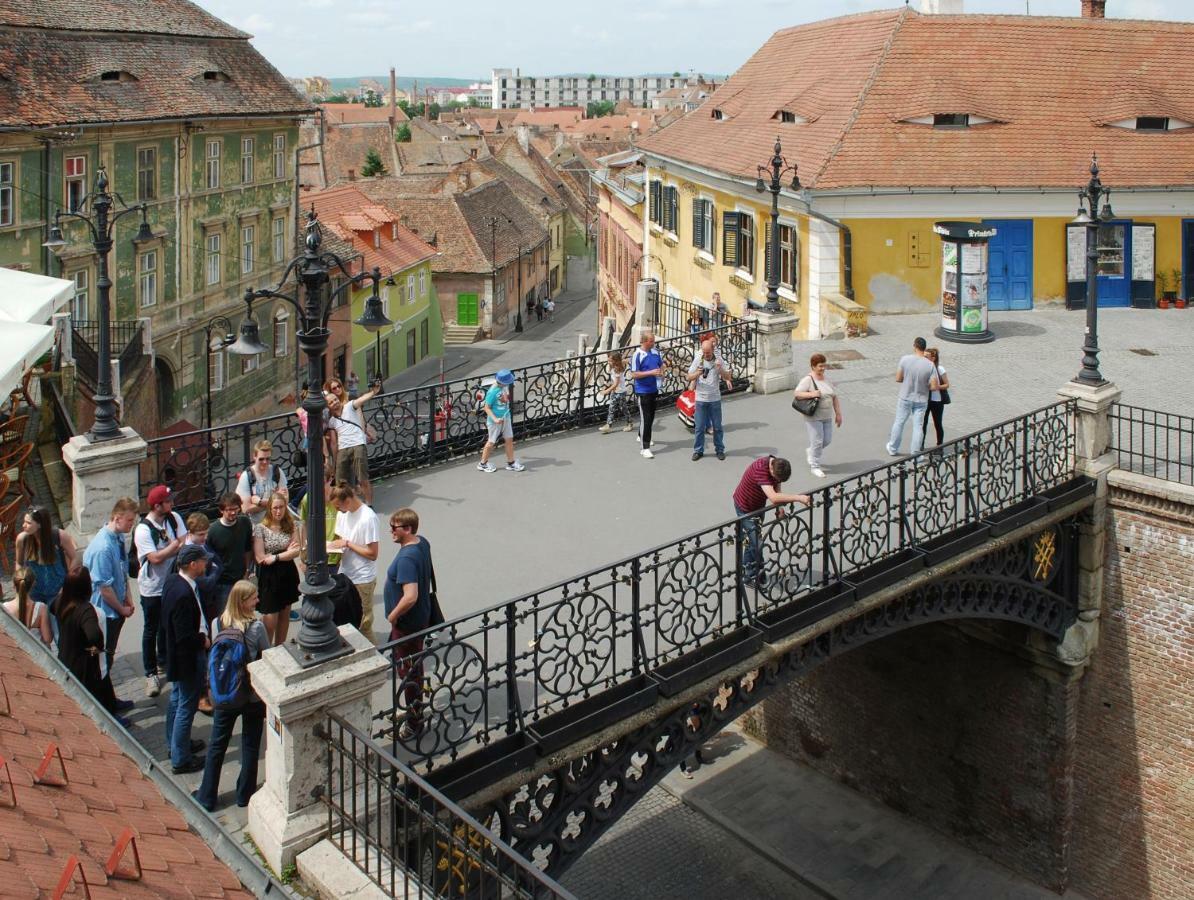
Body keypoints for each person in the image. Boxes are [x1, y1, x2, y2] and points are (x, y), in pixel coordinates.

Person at [193, 580, 268, 812]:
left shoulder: (218, 623)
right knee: (250, 745)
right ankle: (244, 795)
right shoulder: (256, 627)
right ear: (243, 601)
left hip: (224, 693)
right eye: (254, 597)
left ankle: (207, 796)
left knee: (217, 746)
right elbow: (266, 655)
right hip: (251, 696)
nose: (257, 600)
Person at [82, 497, 137, 713]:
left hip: (116, 609)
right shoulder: (103, 548)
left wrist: (129, 597)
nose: (131, 525)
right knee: (104, 661)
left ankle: (111, 699)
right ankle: (104, 707)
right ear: (117, 518)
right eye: (129, 520)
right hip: (105, 613)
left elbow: (121, 571)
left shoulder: (118, 538)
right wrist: (122, 608)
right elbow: (104, 588)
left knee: (109, 657)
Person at [161, 545, 212, 774]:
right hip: (187, 659)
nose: (205, 564)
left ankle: (175, 745)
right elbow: (184, 636)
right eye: (202, 561)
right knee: (186, 706)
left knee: (176, 700)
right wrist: (203, 641)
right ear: (193, 564)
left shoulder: (174, 581)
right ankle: (181, 759)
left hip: (177, 657)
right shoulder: (182, 594)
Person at [133, 485, 187, 698]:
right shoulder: (143, 530)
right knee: (151, 628)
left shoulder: (173, 518)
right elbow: (154, 558)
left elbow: (184, 540)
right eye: (168, 501)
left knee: (168, 625)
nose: (172, 504)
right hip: (152, 588)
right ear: (157, 506)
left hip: (172, 582)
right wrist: (173, 548)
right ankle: (150, 672)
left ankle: (164, 659)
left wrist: (172, 547)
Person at [56, 567, 128, 726]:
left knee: (104, 681)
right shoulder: (85, 609)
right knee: (95, 690)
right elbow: (94, 634)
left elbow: (52, 609)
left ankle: (113, 705)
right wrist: (98, 647)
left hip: (66, 654)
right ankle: (110, 720)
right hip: (83, 663)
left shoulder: (61, 601)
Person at [384, 507, 432, 741]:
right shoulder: (421, 543)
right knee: (414, 667)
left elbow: (410, 595)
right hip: (421, 617)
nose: (391, 531)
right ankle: (414, 708)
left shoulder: (406, 559)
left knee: (408, 671)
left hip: (407, 624)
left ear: (408, 529)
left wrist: (392, 616)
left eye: (394, 528)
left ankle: (414, 721)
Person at [732, 456, 811, 587]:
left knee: (752, 542)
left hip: (757, 507)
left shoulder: (775, 464)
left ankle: (749, 573)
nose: (777, 481)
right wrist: (799, 498)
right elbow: (774, 496)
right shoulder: (760, 470)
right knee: (757, 544)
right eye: (776, 478)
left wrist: (779, 508)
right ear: (772, 470)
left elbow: (777, 487)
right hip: (744, 509)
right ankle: (756, 573)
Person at [15, 505, 77, 640]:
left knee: (59, 633)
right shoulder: (22, 539)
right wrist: (21, 583)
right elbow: (19, 562)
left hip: (57, 592)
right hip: (34, 593)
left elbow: (75, 558)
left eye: (28, 523)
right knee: (37, 635)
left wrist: (67, 583)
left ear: (40, 525)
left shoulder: (58, 536)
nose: (23, 525)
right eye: (24, 521)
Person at [328, 482, 380, 642]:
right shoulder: (343, 514)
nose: (337, 510)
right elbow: (339, 539)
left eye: (338, 506)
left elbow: (372, 553)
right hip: (345, 575)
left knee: (364, 623)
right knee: (346, 622)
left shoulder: (368, 518)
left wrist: (348, 544)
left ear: (348, 501)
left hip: (362, 578)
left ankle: (376, 657)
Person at [253, 492, 301, 647]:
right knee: (270, 619)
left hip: (287, 573)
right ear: (269, 509)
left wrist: (275, 557)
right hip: (269, 577)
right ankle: (266, 651)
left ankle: (281, 647)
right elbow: (260, 557)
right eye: (275, 508)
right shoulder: (260, 528)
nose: (278, 511)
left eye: (281, 507)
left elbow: (297, 550)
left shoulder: (291, 525)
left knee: (284, 615)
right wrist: (286, 552)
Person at [325, 376, 382, 503]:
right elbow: (333, 441)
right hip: (343, 449)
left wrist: (373, 392)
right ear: (328, 406)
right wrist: (333, 460)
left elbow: (361, 400)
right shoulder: (331, 421)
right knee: (340, 482)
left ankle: (369, 505)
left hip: (357, 445)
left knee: (362, 478)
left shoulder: (350, 406)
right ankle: (347, 505)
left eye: (335, 400)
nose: (334, 402)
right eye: (331, 402)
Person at [794, 353, 844, 479]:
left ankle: (811, 451)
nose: (822, 368)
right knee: (817, 441)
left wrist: (838, 414)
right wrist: (812, 394)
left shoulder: (825, 379)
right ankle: (815, 466)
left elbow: (834, 397)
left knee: (827, 440)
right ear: (813, 366)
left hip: (827, 416)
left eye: (824, 366)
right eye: (820, 366)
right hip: (814, 417)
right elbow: (797, 393)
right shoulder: (808, 379)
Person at [886, 336, 937, 457]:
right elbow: (934, 386)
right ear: (924, 349)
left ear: (914, 346)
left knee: (899, 422)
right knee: (918, 426)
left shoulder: (905, 359)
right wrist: (925, 385)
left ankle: (893, 448)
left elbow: (898, 378)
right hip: (921, 399)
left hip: (905, 396)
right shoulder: (930, 365)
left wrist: (908, 379)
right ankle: (916, 454)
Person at [206, 493, 254, 616]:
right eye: (229, 510)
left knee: (245, 614)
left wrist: (247, 571)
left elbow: (248, 549)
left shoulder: (244, 522)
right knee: (225, 616)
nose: (233, 513)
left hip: (242, 578)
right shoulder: (213, 531)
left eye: (235, 509)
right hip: (223, 583)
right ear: (221, 510)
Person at [687, 338, 733, 462]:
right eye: (704, 352)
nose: (706, 355)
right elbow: (688, 376)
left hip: (714, 398)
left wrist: (720, 369)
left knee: (717, 427)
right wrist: (697, 373)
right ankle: (698, 450)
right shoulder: (698, 359)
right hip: (700, 398)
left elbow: (728, 376)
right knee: (699, 427)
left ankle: (719, 450)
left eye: (708, 352)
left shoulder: (719, 360)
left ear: (713, 350)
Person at [476, 369, 526, 473]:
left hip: (505, 417)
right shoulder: (493, 392)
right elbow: (487, 408)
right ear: (503, 382)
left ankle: (511, 462)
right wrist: (495, 419)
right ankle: (482, 464)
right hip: (495, 421)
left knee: (509, 439)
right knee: (491, 442)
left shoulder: (503, 386)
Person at [299, 470, 342, 575]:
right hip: (314, 557)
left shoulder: (339, 497)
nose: (317, 487)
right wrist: (304, 555)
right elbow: (304, 526)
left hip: (334, 557)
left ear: (330, 480)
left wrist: (343, 558)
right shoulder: (307, 499)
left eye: (321, 483)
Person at [235, 441, 288, 526]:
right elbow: (246, 508)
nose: (265, 462)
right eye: (261, 459)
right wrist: (275, 500)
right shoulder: (247, 476)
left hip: (278, 523)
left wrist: (260, 502)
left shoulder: (276, 471)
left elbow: (285, 500)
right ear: (254, 457)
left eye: (268, 459)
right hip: (258, 525)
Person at [630, 330, 663, 459]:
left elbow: (661, 365)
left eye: (653, 340)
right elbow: (634, 374)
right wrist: (651, 373)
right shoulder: (637, 355)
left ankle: (641, 435)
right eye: (651, 341)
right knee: (646, 418)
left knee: (651, 416)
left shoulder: (655, 352)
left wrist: (662, 374)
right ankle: (645, 448)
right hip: (642, 391)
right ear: (644, 341)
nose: (653, 343)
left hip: (653, 389)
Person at [4, 567, 52, 645]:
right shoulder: (41, 608)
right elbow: (47, 639)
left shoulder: (4, 608)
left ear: (13, 585)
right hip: (36, 653)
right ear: (33, 584)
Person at [596, 353, 635, 434]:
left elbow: (616, 383)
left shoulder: (617, 369)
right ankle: (608, 425)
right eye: (608, 359)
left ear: (615, 361)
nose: (608, 361)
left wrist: (607, 391)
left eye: (610, 360)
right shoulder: (616, 366)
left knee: (623, 408)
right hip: (616, 391)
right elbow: (624, 361)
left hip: (620, 392)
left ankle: (630, 423)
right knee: (611, 408)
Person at [923, 347, 950, 448]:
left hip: (937, 401)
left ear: (933, 358)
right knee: (923, 423)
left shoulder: (940, 369)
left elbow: (947, 384)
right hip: (925, 400)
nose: (924, 358)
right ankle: (921, 445)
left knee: (938, 424)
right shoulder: (923, 368)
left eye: (926, 357)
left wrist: (937, 386)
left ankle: (939, 445)